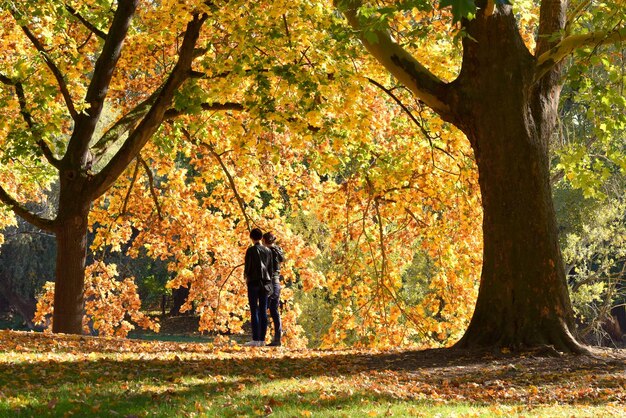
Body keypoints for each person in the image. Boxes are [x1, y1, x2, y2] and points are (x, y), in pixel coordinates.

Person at [243, 228, 273, 347]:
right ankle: (262, 339)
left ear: (252, 238)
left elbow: (248, 267)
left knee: (254, 309)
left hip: (254, 282)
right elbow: (270, 268)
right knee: (263, 311)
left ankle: (255, 338)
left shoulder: (250, 250)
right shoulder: (268, 250)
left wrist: (246, 277)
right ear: (261, 238)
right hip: (265, 283)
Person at [263, 231, 284, 346]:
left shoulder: (265, 251)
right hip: (276, 282)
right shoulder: (278, 250)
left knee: (263, 309)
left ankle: (261, 338)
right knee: (274, 310)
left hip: (268, 281)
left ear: (264, 241)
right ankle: (277, 338)